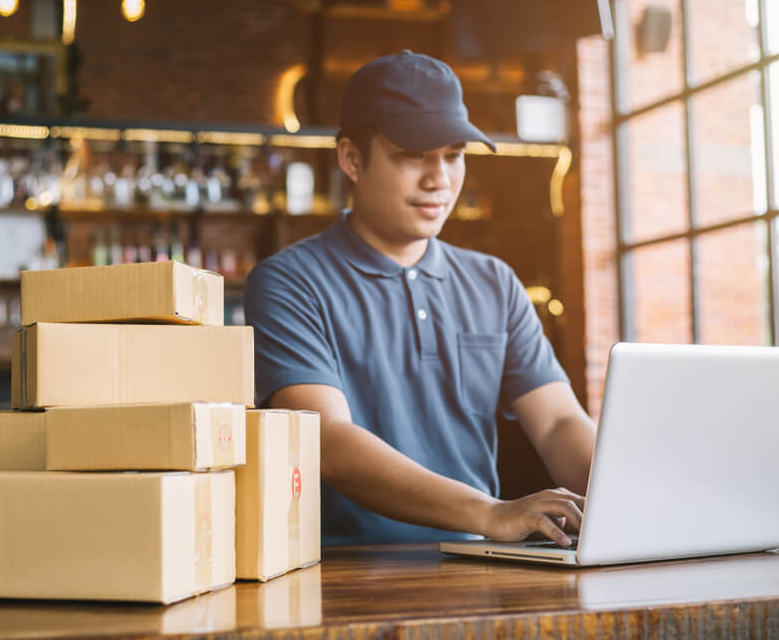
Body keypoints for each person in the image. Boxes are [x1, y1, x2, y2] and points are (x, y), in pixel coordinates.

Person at [244, 51, 596, 546]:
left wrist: (629, 493)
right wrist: (490, 513)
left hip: (477, 565)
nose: (440, 179)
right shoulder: (289, 282)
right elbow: (329, 441)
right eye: (413, 155)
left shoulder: (495, 283)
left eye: (453, 155)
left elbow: (559, 422)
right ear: (351, 159)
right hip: (342, 574)